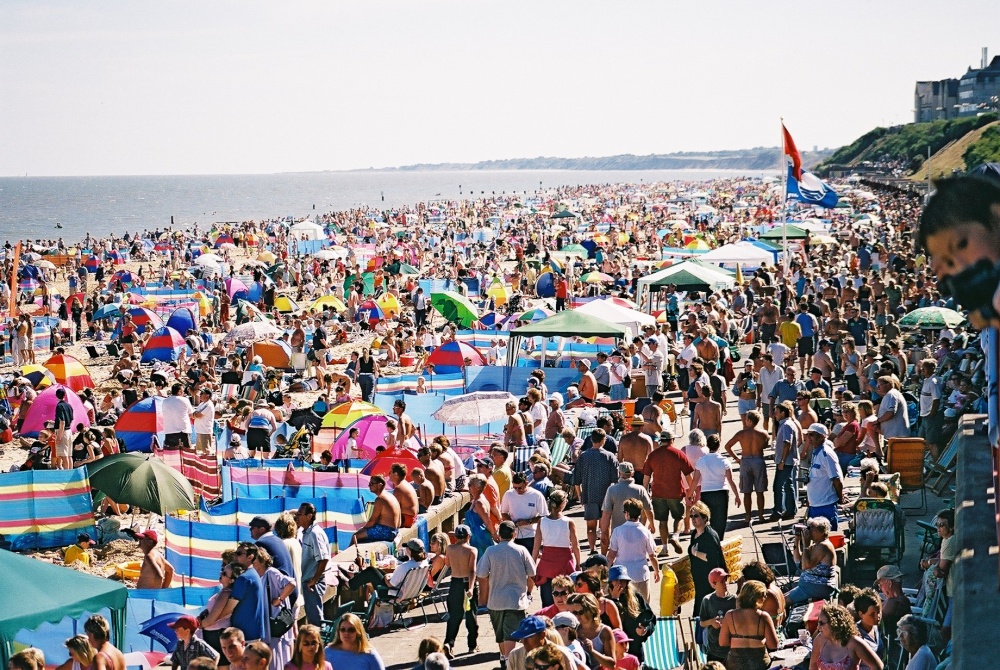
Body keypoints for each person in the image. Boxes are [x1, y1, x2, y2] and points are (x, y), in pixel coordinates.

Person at [477, 521, 536, 670]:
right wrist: (528, 592)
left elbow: (482, 573)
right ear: (514, 534)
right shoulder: (521, 550)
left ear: (499, 534)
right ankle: (509, 662)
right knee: (510, 634)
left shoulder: (490, 551)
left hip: (495, 601)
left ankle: (505, 659)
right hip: (516, 600)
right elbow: (532, 573)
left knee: (500, 634)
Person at [643, 430, 694, 555]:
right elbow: (688, 475)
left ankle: (665, 548)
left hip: (658, 493)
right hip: (675, 492)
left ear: (661, 440)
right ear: (672, 440)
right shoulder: (678, 454)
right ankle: (675, 536)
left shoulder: (653, 455)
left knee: (662, 521)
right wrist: (691, 492)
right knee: (679, 517)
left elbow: (646, 477)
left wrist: (645, 492)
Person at [573, 427, 618, 553]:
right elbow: (615, 479)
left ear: (591, 439)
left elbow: (576, 479)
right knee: (605, 528)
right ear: (603, 440)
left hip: (589, 495)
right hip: (606, 497)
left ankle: (592, 549)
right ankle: (604, 553)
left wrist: (580, 494)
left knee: (591, 527)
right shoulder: (610, 457)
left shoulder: (583, 457)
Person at [718, 581, 779, 670]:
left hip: (735, 664)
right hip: (759, 664)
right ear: (757, 597)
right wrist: (760, 640)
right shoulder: (763, 616)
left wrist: (738, 639)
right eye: (764, 595)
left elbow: (722, 642)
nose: (765, 597)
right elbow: (773, 645)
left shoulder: (730, 615)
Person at [606, 501, 659, 601]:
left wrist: (606, 572)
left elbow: (611, 555)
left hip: (622, 575)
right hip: (641, 573)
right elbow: (652, 556)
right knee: (644, 606)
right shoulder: (645, 531)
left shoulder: (618, 531)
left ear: (627, 513)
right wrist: (656, 571)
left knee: (626, 605)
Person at [253, 547, 296, 670]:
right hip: (268, 624)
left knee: (278, 656)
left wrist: (279, 599)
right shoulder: (258, 576)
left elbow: (291, 584)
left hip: (275, 622)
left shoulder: (271, 573)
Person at [724, 410, 769, 525]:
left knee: (746, 491)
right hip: (758, 460)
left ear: (749, 420)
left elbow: (727, 446)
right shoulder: (763, 434)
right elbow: (765, 445)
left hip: (746, 461)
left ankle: (748, 516)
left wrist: (736, 458)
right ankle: (760, 515)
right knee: (760, 491)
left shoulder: (741, 433)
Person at [691, 434, 740, 540]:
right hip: (721, 493)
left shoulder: (701, 461)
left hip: (706, 493)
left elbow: (695, 480)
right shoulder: (724, 461)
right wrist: (737, 495)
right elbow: (730, 480)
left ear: (707, 445)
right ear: (718, 446)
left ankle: (709, 541)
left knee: (707, 519)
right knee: (720, 521)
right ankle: (719, 541)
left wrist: (690, 494)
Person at [442, 525, 480, 658]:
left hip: (454, 583)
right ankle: (472, 645)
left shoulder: (450, 549)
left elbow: (448, 564)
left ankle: (449, 643)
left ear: (456, 537)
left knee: (454, 616)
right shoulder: (472, 550)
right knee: (471, 615)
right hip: (466, 584)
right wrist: (470, 588)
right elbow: (472, 570)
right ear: (468, 536)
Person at [809, 604, 883, 670]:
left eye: (821, 623)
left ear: (834, 623)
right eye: (818, 623)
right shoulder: (820, 640)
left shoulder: (854, 643)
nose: (818, 627)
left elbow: (878, 666)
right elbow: (813, 664)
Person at [599, 462, 654, 551]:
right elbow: (648, 509)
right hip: (636, 531)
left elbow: (606, 513)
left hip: (617, 533)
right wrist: (652, 524)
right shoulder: (640, 489)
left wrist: (604, 532)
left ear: (619, 473)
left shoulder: (612, 490)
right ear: (632, 473)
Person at [786, 517, 839, 605]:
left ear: (822, 532)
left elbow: (805, 566)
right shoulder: (816, 545)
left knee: (779, 603)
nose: (808, 531)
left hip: (816, 587)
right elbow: (798, 560)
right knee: (780, 598)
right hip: (809, 586)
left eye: (811, 529)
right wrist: (797, 539)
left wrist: (806, 545)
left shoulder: (823, 546)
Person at [607, 567, 654, 661]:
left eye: (623, 580)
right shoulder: (606, 603)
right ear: (611, 583)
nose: (620, 584)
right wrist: (614, 600)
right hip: (615, 653)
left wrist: (646, 629)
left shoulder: (636, 598)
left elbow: (651, 619)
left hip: (635, 651)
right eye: (616, 580)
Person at [802, 424, 844, 530]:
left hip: (826, 505)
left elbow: (836, 479)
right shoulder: (816, 452)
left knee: (828, 537)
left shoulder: (827, 454)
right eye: (807, 435)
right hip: (815, 504)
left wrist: (840, 497)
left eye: (812, 435)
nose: (808, 438)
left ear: (822, 437)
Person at [295, 502, 330, 627]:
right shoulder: (305, 533)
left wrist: (314, 580)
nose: (297, 517)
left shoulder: (315, 534)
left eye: (300, 514)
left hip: (312, 583)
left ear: (309, 516)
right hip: (309, 582)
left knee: (316, 622)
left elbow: (323, 559)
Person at [198, 563, 244, 656]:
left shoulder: (225, 593)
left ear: (231, 580)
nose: (220, 573)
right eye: (222, 570)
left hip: (216, 634)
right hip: (214, 632)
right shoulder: (223, 591)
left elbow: (211, 619)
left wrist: (198, 624)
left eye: (224, 573)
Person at [687, 500, 725, 611]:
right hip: (698, 577)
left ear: (704, 518)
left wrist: (695, 553)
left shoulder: (710, 535)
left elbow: (711, 558)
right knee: (700, 604)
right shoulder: (694, 533)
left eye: (696, 516)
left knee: (706, 607)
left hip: (709, 579)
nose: (693, 519)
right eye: (691, 516)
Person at [699, 567, 738, 665]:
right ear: (713, 585)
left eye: (725, 580)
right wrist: (711, 622)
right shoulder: (707, 601)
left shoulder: (735, 599)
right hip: (714, 651)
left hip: (732, 651)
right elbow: (702, 622)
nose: (725, 583)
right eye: (721, 581)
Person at [568, 593, 617, 669]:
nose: (577, 616)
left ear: (591, 611)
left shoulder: (604, 631)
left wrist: (593, 651)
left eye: (581, 613)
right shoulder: (573, 629)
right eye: (575, 613)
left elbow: (612, 664)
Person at [501, 471, 547, 552]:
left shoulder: (536, 495)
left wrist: (529, 521)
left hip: (530, 535)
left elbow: (544, 516)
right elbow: (504, 513)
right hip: (512, 535)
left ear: (526, 483)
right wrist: (512, 524)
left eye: (520, 488)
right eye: (515, 488)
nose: (517, 490)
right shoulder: (509, 494)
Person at [770, 401, 800, 521]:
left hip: (786, 461)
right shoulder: (786, 424)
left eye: (776, 412)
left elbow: (787, 443)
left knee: (777, 486)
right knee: (788, 485)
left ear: (783, 413)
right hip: (787, 460)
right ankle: (790, 510)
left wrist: (782, 460)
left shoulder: (786, 425)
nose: (774, 415)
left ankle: (777, 511)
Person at [352, 475, 401, 543]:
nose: (369, 486)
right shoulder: (390, 496)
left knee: (355, 536)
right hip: (394, 531)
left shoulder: (380, 499)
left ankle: (353, 553)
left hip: (386, 532)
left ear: (379, 485)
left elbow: (372, 521)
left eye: (371, 484)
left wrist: (362, 529)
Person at [737, 561, 785, 628]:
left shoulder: (766, 595)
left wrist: (740, 590)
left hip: (768, 635)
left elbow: (741, 615)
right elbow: (784, 615)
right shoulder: (776, 589)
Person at [248, 517, 295, 582]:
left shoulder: (261, 543)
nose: (250, 530)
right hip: (288, 586)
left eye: (252, 527)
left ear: (262, 529)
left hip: (280, 589)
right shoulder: (278, 540)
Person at [875, 565, 913, 639]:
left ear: (889, 583)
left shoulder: (894, 603)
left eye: (881, 584)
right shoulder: (901, 600)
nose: (879, 588)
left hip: (887, 640)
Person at [853, 589, 885, 670]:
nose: (877, 617)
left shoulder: (876, 627)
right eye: (872, 614)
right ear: (861, 614)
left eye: (878, 612)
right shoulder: (855, 635)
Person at [618, 416, 654, 486]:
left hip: (626, 472)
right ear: (642, 426)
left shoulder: (623, 439)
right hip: (642, 472)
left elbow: (619, 458)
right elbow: (651, 458)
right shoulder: (647, 439)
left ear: (632, 426)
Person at [162, 383, 194, 450]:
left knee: (171, 454)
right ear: (179, 391)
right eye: (182, 391)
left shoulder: (165, 401)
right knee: (186, 452)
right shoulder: (185, 400)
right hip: (182, 430)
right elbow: (191, 414)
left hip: (169, 431)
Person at [387, 463, 419, 528]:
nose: (388, 474)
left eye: (390, 472)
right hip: (412, 518)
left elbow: (393, 509)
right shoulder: (406, 484)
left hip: (407, 519)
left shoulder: (399, 488)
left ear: (395, 474)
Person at [53, 387, 74, 470]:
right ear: (64, 395)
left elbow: (62, 422)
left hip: (63, 430)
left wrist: (59, 436)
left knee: (63, 455)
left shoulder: (59, 406)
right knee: (69, 455)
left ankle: (66, 473)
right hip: (69, 430)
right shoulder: (69, 405)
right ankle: (70, 471)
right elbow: (71, 419)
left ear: (56, 396)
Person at [192, 388, 216, 456]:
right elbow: (195, 414)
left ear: (207, 395)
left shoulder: (208, 405)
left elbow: (198, 415)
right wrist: (194, 415)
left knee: (207, 451)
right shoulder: (202, 403)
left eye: (202, 393)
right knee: (200, 451)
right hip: (199, 430)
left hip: (205, 431)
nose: (200, 395)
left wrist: (194, 415)